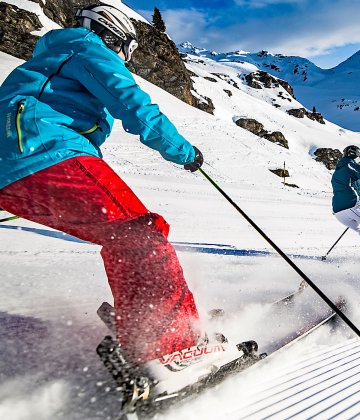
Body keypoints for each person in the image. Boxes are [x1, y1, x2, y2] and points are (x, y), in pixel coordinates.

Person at [0, 3, 241, 386]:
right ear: (113, 36)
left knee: (124, 238)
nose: (124, 60)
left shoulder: (51, 61)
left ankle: (149, 319)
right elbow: (132, 103)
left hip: (17, 172)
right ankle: (169, 344)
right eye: (126, 51)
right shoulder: (85, 45)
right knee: (141, 235)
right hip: (45, 151)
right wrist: (184, 152)